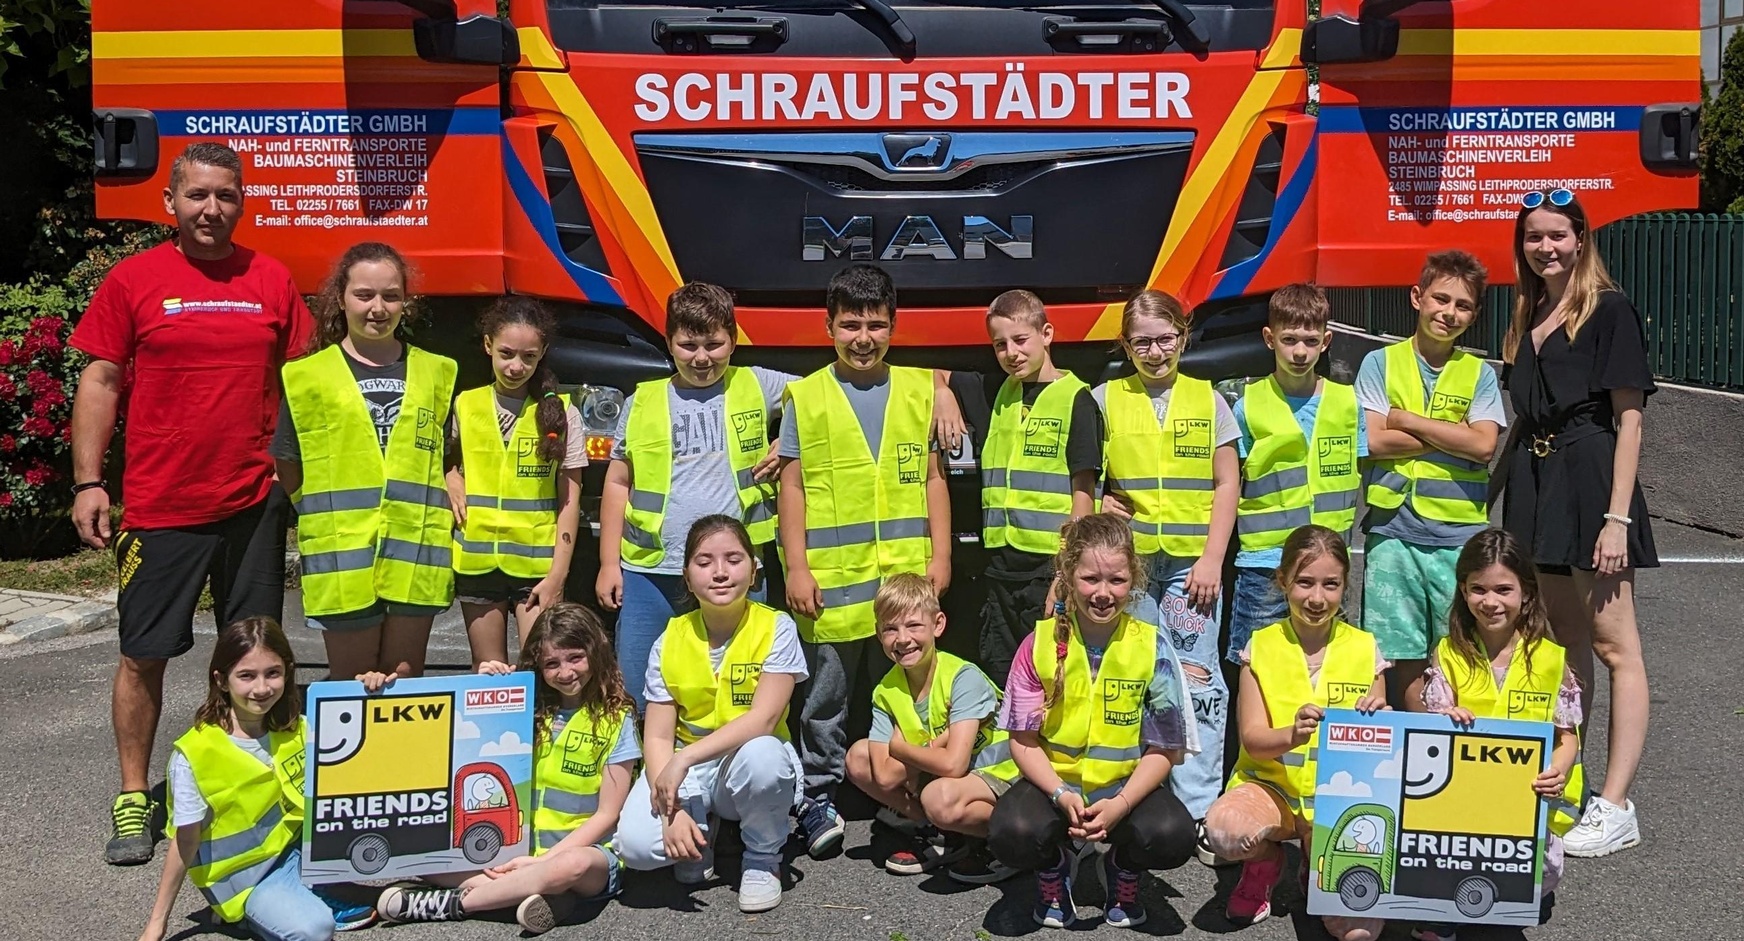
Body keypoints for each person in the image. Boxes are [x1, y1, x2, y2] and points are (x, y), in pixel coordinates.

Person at [69, 142, 313, 865]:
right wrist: (89, 481)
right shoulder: (134, 279)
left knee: (258, 656)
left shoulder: (271, 278)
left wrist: (297, 480)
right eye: (198, 195)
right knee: (144, 654)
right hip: (161, 504)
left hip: (253, 504)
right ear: (170, 203)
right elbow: (103, 378)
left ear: (243, 202)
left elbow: (305, 385)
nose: (212, 209)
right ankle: (135, 794)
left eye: (226, 196)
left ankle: (257, 783)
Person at [776, 263, 954, 859]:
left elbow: (933, 479)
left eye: (876, 325)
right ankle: (819, 794)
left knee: (903, 703)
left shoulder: (919, 389)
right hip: (830, 586)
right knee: (826, 699)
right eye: (850, 324)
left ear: (894, 327)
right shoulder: (806, 395)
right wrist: (797, 567)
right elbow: (792, 487)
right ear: (828, 327)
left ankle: (900, 804)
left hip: (902, 589)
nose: (863, 337)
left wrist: (943, 554)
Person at [1497, 188, 1654, 857]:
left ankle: (1617, 803)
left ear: (1582, 238)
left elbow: (1630, 419)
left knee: (1617, 647)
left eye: (1558, 235)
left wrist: (1616, 518)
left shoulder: (1608, 309)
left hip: (1591, 483)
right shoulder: (1530, 309)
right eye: (1535, 237)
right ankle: (1572, 781)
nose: (1546, 247)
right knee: (1565, 644)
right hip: (1537, 486)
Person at [987, 513, 1197, 930]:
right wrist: (1062, 793)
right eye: (1090, 579)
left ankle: (1122, 865)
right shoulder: (1039, 643)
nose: (1103, 593)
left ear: (1133, 579)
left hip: (1125, 790)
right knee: (1011, 831)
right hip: (1055, 788)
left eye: (1117, 581)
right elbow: (1022, 741)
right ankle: (1055, 865)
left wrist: (1120, 805)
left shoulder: (1151, 645)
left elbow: (1166, 748)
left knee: (1175, 835)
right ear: (1067, 576)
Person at [376, 603, 639, 935]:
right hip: (517, 853)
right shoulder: (526, 707)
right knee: (412, 847)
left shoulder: (617, 718)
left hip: (587, 857)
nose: (566, 672)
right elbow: (468, 740)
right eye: (552, 664)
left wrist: (544, 862)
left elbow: (607, 815)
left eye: (575, 657)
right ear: (539, 667)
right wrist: (485, 688)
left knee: (571, 866)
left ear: (596, 652)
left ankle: (457, 904)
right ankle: (538, 895)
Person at [597, 282, 793, 711]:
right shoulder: (642, 400)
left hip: (735, 573)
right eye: (687, 345)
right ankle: (647, 771)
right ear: (668, 343)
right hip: (650, 570)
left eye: (713, 344)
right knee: (639, 687)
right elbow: (617, 483)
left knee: (737, 687)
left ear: (734, 341)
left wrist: (791, 440)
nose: (701, 357)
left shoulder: (756, 384)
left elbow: (825, 394)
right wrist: (609, 563)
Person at [272, 242, 457, 678]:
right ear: (341, 298)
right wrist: (321, 511)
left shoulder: (437, 372)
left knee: (404, 681)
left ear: (405, 302)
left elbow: (446, 456)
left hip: (415, 551)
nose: (378, 307)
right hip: (342, 553)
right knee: (351, 686)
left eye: (391, 296)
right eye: (365, 295)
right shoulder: (307, 376)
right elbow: (288, 462)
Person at [1096, 289, 1239, 853]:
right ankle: (1123, 789)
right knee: (1128, 672)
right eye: (1142, 342)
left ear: (1183, 335)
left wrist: (1211, 558)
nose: (1155, 352)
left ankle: (1198, 806)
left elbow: (1227, 483)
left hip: (1189, 567)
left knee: (1195, 679)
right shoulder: (1104, 398)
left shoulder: (1210, 400)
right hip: (1127, 567)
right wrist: (1106, 500)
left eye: (1165, 339)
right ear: (1125, 346)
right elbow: (1086, 473)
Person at [616, 515, 808, 914]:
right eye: (704, 562)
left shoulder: (778, 627)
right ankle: (700, 831)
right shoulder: (669, 638)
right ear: (686, 577)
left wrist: (682, 761)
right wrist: (674, 809)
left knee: (765, 755)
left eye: (733, 559)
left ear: (754, 571)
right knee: (635, 847)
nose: (719, 572)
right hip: (692, 772)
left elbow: (763, 721)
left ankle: (762, 857)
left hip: (745, 763)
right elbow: (656, 737)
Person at [1205, 525, 1387, 941]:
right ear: (1284, 580)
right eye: (1304, 583)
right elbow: (1252, 739)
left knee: (1358, 931)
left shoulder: (1365, 649)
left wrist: (1382, 715)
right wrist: (1293, 733)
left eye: (1331, 584)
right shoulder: (1261, 645)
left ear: (1345, 585)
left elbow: (1378, 747)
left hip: (1340, 803)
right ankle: (1266, 863)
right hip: (1273, 789)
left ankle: (1314, 857)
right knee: (1225, 830)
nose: (1317, 598)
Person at [137, 617, 371, 941]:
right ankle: (266, 912)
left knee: (406, 879)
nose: (261, 689)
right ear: (221, 679)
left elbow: (365, 762)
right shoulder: (194, 754)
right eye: (246, 676)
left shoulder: (298, 728)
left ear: (288, 671)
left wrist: (373, 690)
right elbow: (185, 840)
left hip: (300, 855)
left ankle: (325, 893)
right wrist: (156, 924)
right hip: (250, 881)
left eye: (272, 673)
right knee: (315, 929)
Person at [1404, 529, 1583, 941]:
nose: (1491, 602)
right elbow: (1428, 736)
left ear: (1527, 593)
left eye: (1504, 589)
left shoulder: (1550, 660)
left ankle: (1505, 903)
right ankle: (1443, 909)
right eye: (1478, 589)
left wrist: (1557, 771)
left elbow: (1566, 736)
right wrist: (1444, 716)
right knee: (1446, 871)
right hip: (1461, 809)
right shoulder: (1448, 653)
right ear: (1463, 592)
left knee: (1521, 896)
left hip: (1526, 809)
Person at [1355, 250, 1505, 703]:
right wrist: (1452, 435)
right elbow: (1375, 442)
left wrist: (1408, 419)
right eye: (1441, 300)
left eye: (1462, 306)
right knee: (1397, 653)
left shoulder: (1478, 373)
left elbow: (1483, 446)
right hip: (1392, 527)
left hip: (1457, 532)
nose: (1449, 313)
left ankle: (1451, 746)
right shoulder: (1379, 364)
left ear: (1474, 315)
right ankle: (1414, 742)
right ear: (1417, 298)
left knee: (1456, 649)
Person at [934, 289, 1102, 685]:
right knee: (1001, 673)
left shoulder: (1076, 400)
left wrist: (1066, 572)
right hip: (1000, 570)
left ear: (1046, 334)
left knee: (1050, 673)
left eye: (1020, 340)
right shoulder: (998, 392)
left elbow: (1084, 494)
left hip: (1047, 571)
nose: (1011, 352)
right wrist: (942, 393)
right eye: (1000, 345)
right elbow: (926, 372)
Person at [846, 573, 1019, 881]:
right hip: (944, 773)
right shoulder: (886, 691)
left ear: (938, 624)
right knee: (858, 757)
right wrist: (938, 741)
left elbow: (954, 764)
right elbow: (884, 776)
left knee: (940, 798)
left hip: (1000, 774)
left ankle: (1009, 842)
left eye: (914, 625)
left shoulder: (962, 677)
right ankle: (944, 831)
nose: (902, 639)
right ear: (878, 633)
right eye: (890, 629)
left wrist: (900, 749)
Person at [1229, 283, 1366, 664]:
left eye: (1310, 339)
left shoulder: (1347, 404)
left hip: (1328, 565)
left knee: (1324, 664)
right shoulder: (1248, 405)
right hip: (1264, 563)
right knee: (1255, 663)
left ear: (1327, 341)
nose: (1300, 351)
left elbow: (1357, 475)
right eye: (1290, 340)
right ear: (1269, 339)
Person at [448, 298, 587, 668]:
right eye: (506, 353)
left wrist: (558, 576)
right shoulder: (465, 404)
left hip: (536, 566)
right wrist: (449, 477)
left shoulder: (563, 413)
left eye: (528, 356)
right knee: (488, 671)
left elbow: (570, 501)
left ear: (542, 354)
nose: (515, 366)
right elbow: (443, 461)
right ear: (488, 345)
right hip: (477, 564)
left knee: (541, 668)